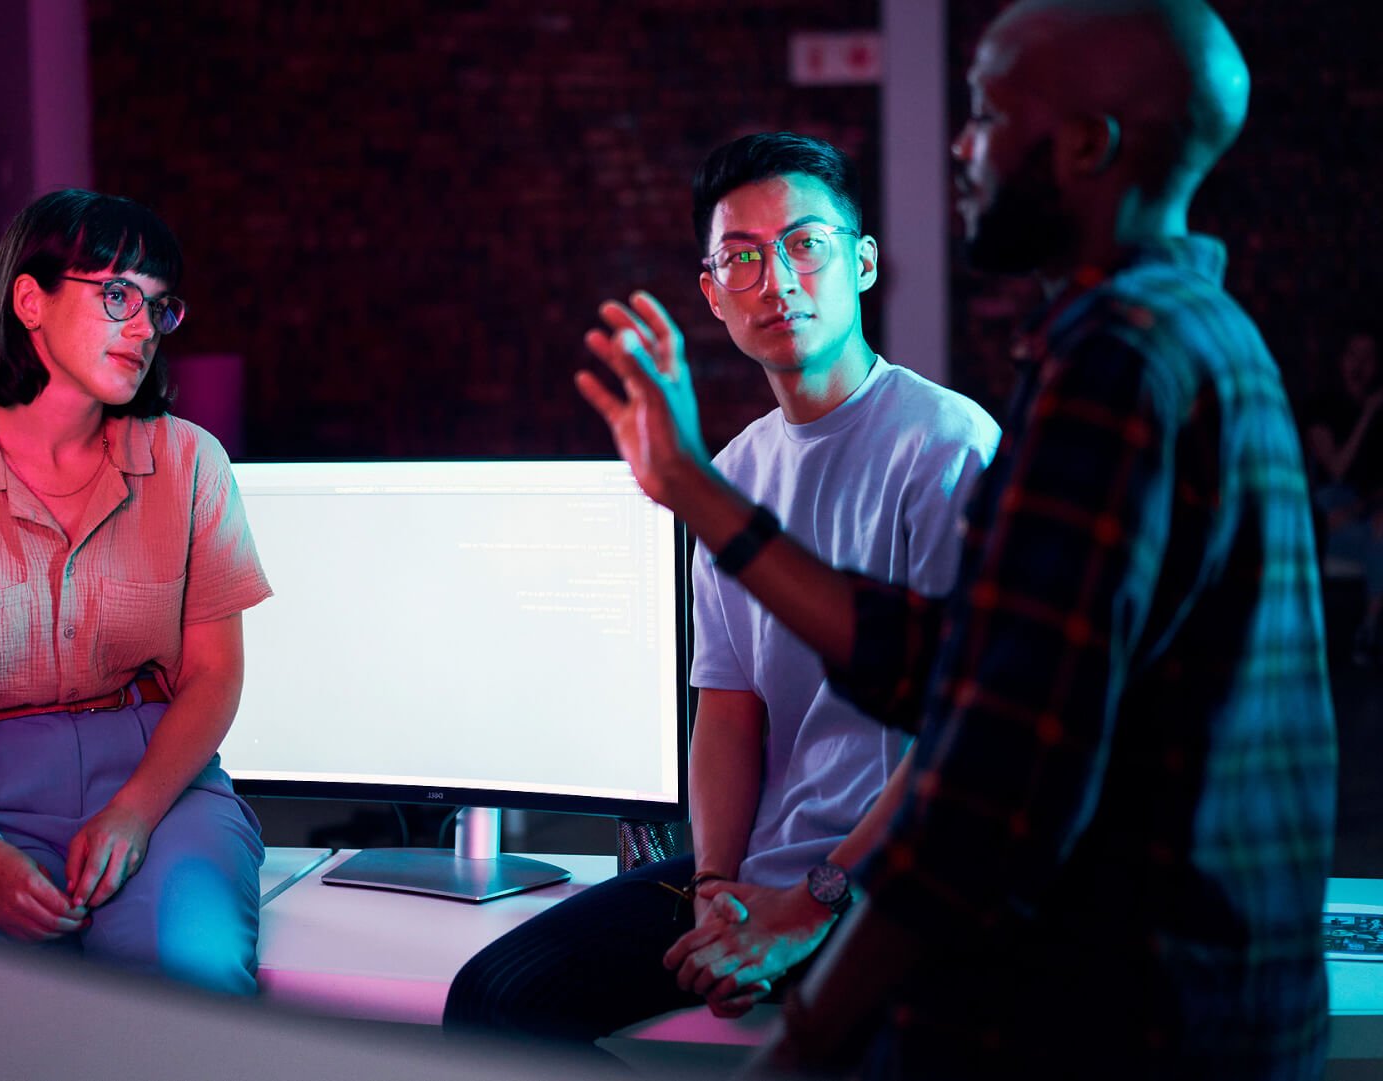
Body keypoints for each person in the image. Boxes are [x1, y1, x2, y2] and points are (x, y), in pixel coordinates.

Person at [574, 1, 1336, 1077]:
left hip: (1141, 996)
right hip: (1201, 979)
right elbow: (965, 665)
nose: (960, 145)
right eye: (742, 257)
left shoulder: (1112, 366)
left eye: (984, 112)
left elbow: (991, 765)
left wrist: (808, 1013)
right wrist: (701, 493)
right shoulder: (1185, 330)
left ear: (1082, 145)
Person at [443, 133, 999, 1048]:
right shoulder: (731, 468)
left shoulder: (944, 445)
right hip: (762, 868)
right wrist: (712, 886)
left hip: (896, 876)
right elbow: (730, 708)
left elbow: (964, 732)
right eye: (742, 257)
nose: (776, 278)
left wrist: (816, 901)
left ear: (861, 264)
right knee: (493, 1001)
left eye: (805, 245)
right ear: (712, 293)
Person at [0, 189, 271, 995]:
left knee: (188, 976)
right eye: (117, 295)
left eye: (159, 308)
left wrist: (135, 810)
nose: (143, 327)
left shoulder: (190, 462)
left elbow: (214, 674)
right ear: (29, 299)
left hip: (160, 779)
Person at [1305, 328, 1383, 665]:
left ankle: (1368, 629)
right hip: (1326, 511)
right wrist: (1366, 416)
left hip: (1358, 512)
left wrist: (1367, 510)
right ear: (1341, 360)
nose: (1361, 365)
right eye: (1354, 355)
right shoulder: (1323, 406)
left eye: (1368, 358)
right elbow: (1336, 468)